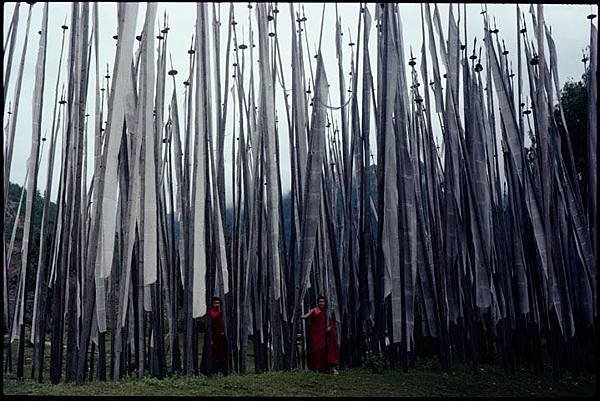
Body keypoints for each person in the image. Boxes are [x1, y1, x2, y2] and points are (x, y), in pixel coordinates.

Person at [299, 296, 340, 374]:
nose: (321, 303)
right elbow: (306, 316)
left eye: (323, 302)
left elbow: (330, 323)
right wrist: (299, 316)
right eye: (320, 302)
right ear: (317, 303)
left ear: (325, 303)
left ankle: (323, 368)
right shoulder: (314, 310)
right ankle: (316, 368)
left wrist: (330, 327)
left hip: (323, 334)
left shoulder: (326, 312)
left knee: (323, 351)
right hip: (316, 334)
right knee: (315, 351)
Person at [200, 296, 229, 376]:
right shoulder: (211, 313)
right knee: (211, 354)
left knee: (221, 354)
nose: (217, 304)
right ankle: (210, 370)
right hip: (212, 337)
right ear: (212, 304)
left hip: (220, 337)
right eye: (215, 303)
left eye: (218, 303)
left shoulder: (221, 312)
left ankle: (221, 370)